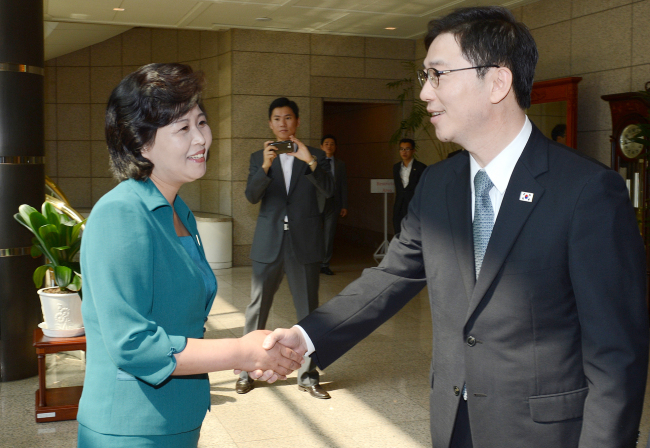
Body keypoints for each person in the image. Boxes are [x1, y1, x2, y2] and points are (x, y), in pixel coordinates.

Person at [263, 7, 649, 448]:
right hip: (454, 421)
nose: (425, 92)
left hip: (543, 432)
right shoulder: (439, 183)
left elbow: (616, 354)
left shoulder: (587, 191)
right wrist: (304, 336)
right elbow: (391, 277)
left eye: (437, 74)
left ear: (498, 82)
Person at [77, 64, 303, 447]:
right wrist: (242, 351)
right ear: (140, 142)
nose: (201, 138)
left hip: (177, 417)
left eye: (201, 122)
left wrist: (257, 354)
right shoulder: (121, 213)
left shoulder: (178, 212)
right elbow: (132, 344)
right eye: (183, 128)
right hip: (131, 426)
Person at [237, 97, 334, 399]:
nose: (283, 123)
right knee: (257, 308)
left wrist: (311, 161)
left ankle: (308, 375)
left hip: (303, 243)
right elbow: (251, 196)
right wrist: (265, 166)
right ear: (270, 123)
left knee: (308, 311)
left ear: (297, 122)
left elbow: (330, 191)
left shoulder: (314, 155)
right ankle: (245, 371)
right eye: (277, 119)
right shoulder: (258, 157)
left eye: (288, 118)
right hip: (270, 242)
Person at [319, 134, 348, 275]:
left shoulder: (340, 164)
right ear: (321, 146)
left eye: (331, 144)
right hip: (316, 203)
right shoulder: (315, 162)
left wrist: (344, 205)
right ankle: (313, 263)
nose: (329, 146)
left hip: (334, 203)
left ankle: (325, 264)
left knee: (329, 235)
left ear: (335, 147)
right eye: (326, 143)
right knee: (315, 234)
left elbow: (343, 185)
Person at [392, 138, 427, 234]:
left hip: (414, 206)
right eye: (401, 149)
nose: (404, 152)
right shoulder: (396, 167)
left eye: (407, 149)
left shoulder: (421, 167)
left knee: (413, 232)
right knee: (398, 231)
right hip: (399, 204)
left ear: (413, 151)